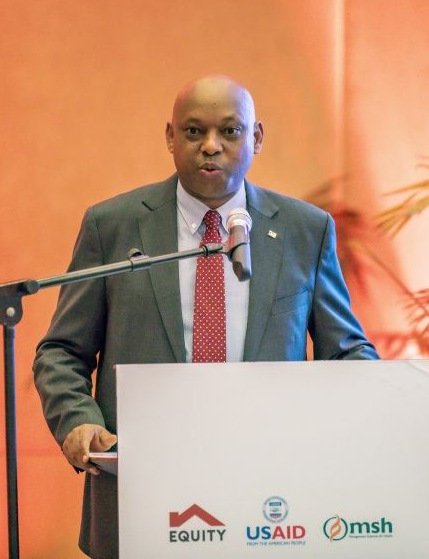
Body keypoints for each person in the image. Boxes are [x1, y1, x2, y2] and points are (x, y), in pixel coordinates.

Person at [32, 74, 378, 558]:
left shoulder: (305, 230)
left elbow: (345, 349)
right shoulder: (112, 226)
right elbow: (61, 351)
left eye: (230, 132)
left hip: (270, 500)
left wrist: (387, 396)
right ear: (171, 137)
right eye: (193, 132)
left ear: (256, 137)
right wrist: (76, 421)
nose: (210, 146)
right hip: (142, 492)